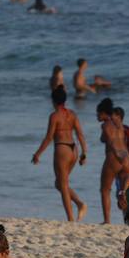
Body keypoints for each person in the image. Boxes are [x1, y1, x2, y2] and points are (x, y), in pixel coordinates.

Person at [31, 86, 88, 221]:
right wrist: (84, 152)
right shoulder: (72, 114)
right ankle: (80, 204)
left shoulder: (54, 116)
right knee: (60, 183)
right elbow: (80, 134)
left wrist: (37, 154)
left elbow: (49, 137)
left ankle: (70, 219)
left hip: (62, 149)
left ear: (53, 101)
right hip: (74, 150)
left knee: (62, 185)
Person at [96, 99, 129, 224]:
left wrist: (116, 153)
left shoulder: (105, 125)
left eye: (98, 113)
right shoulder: (118, 123)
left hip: (114, 157)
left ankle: (107, 220)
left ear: (104, 113)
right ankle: (123, 193)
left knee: (105, 190)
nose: (97, 116)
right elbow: (109, 138)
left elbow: (110, 141)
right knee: (123, 188)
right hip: (126, 156)